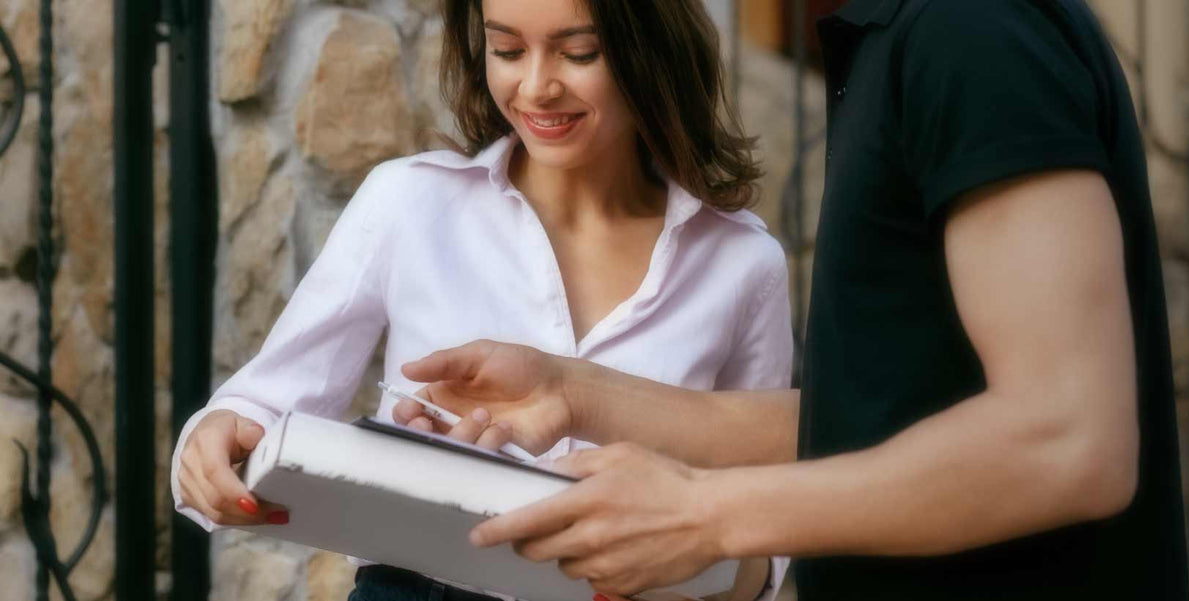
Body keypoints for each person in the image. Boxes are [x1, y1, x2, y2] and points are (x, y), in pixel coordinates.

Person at [392, 0, 1189, 599]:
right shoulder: (904, 37)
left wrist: (703, 513)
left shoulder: (971, 32)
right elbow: (879, 418)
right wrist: (574, 390)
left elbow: (1069, 440)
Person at [169, 0, 794, 600]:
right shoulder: (407, 203)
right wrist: (215, 440)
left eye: (579, 53)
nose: (536, 86)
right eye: (508, 49)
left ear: (651, 51)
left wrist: (679, 573)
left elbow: (764, 525)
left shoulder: (743, 265)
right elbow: (261, 403)